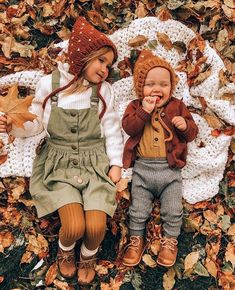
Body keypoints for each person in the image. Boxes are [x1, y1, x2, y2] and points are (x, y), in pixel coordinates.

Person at [0, 17, 123, 284]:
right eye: (101, 60)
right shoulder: (50, 84)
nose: (105, 69)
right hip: (59, 162)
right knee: (75, 226)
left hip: (93, 163)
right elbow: (35, 124)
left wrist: (116, 163)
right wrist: (13, 125)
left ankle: (88, 255)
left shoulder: (105, 92)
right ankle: (65, 251)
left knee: (96, 226)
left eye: (109, 65)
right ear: (83, 55)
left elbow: (112, 130)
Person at [121, 49, 198, 268]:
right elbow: (129, 128)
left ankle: (170, 240)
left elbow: (192, 133)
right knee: (138, 208)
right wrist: (144, 111)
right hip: (143, 170)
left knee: (173, 208)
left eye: (164, 84)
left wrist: (185, 126)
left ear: (171, 88)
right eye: (150, 84)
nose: (157, 89)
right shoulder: (135, 107)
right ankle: (136, 239)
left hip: (170, 170)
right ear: (140, 88)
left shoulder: (177, 106)